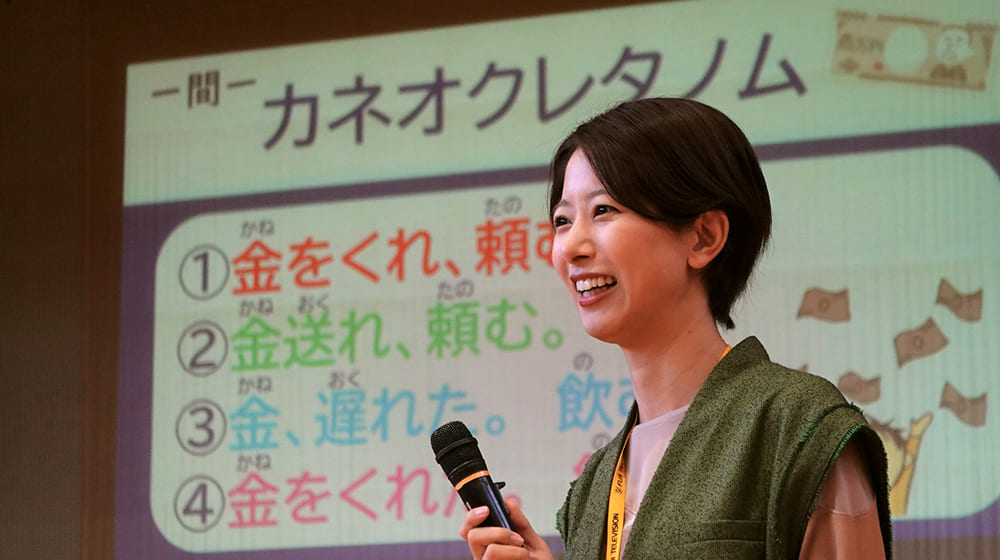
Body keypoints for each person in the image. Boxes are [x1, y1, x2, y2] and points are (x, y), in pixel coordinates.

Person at [458, 98, 892, 559]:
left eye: (603, 210)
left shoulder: (796, 426)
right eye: (563, 221)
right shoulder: (592, 488)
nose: (571, 247)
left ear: (704, 237)